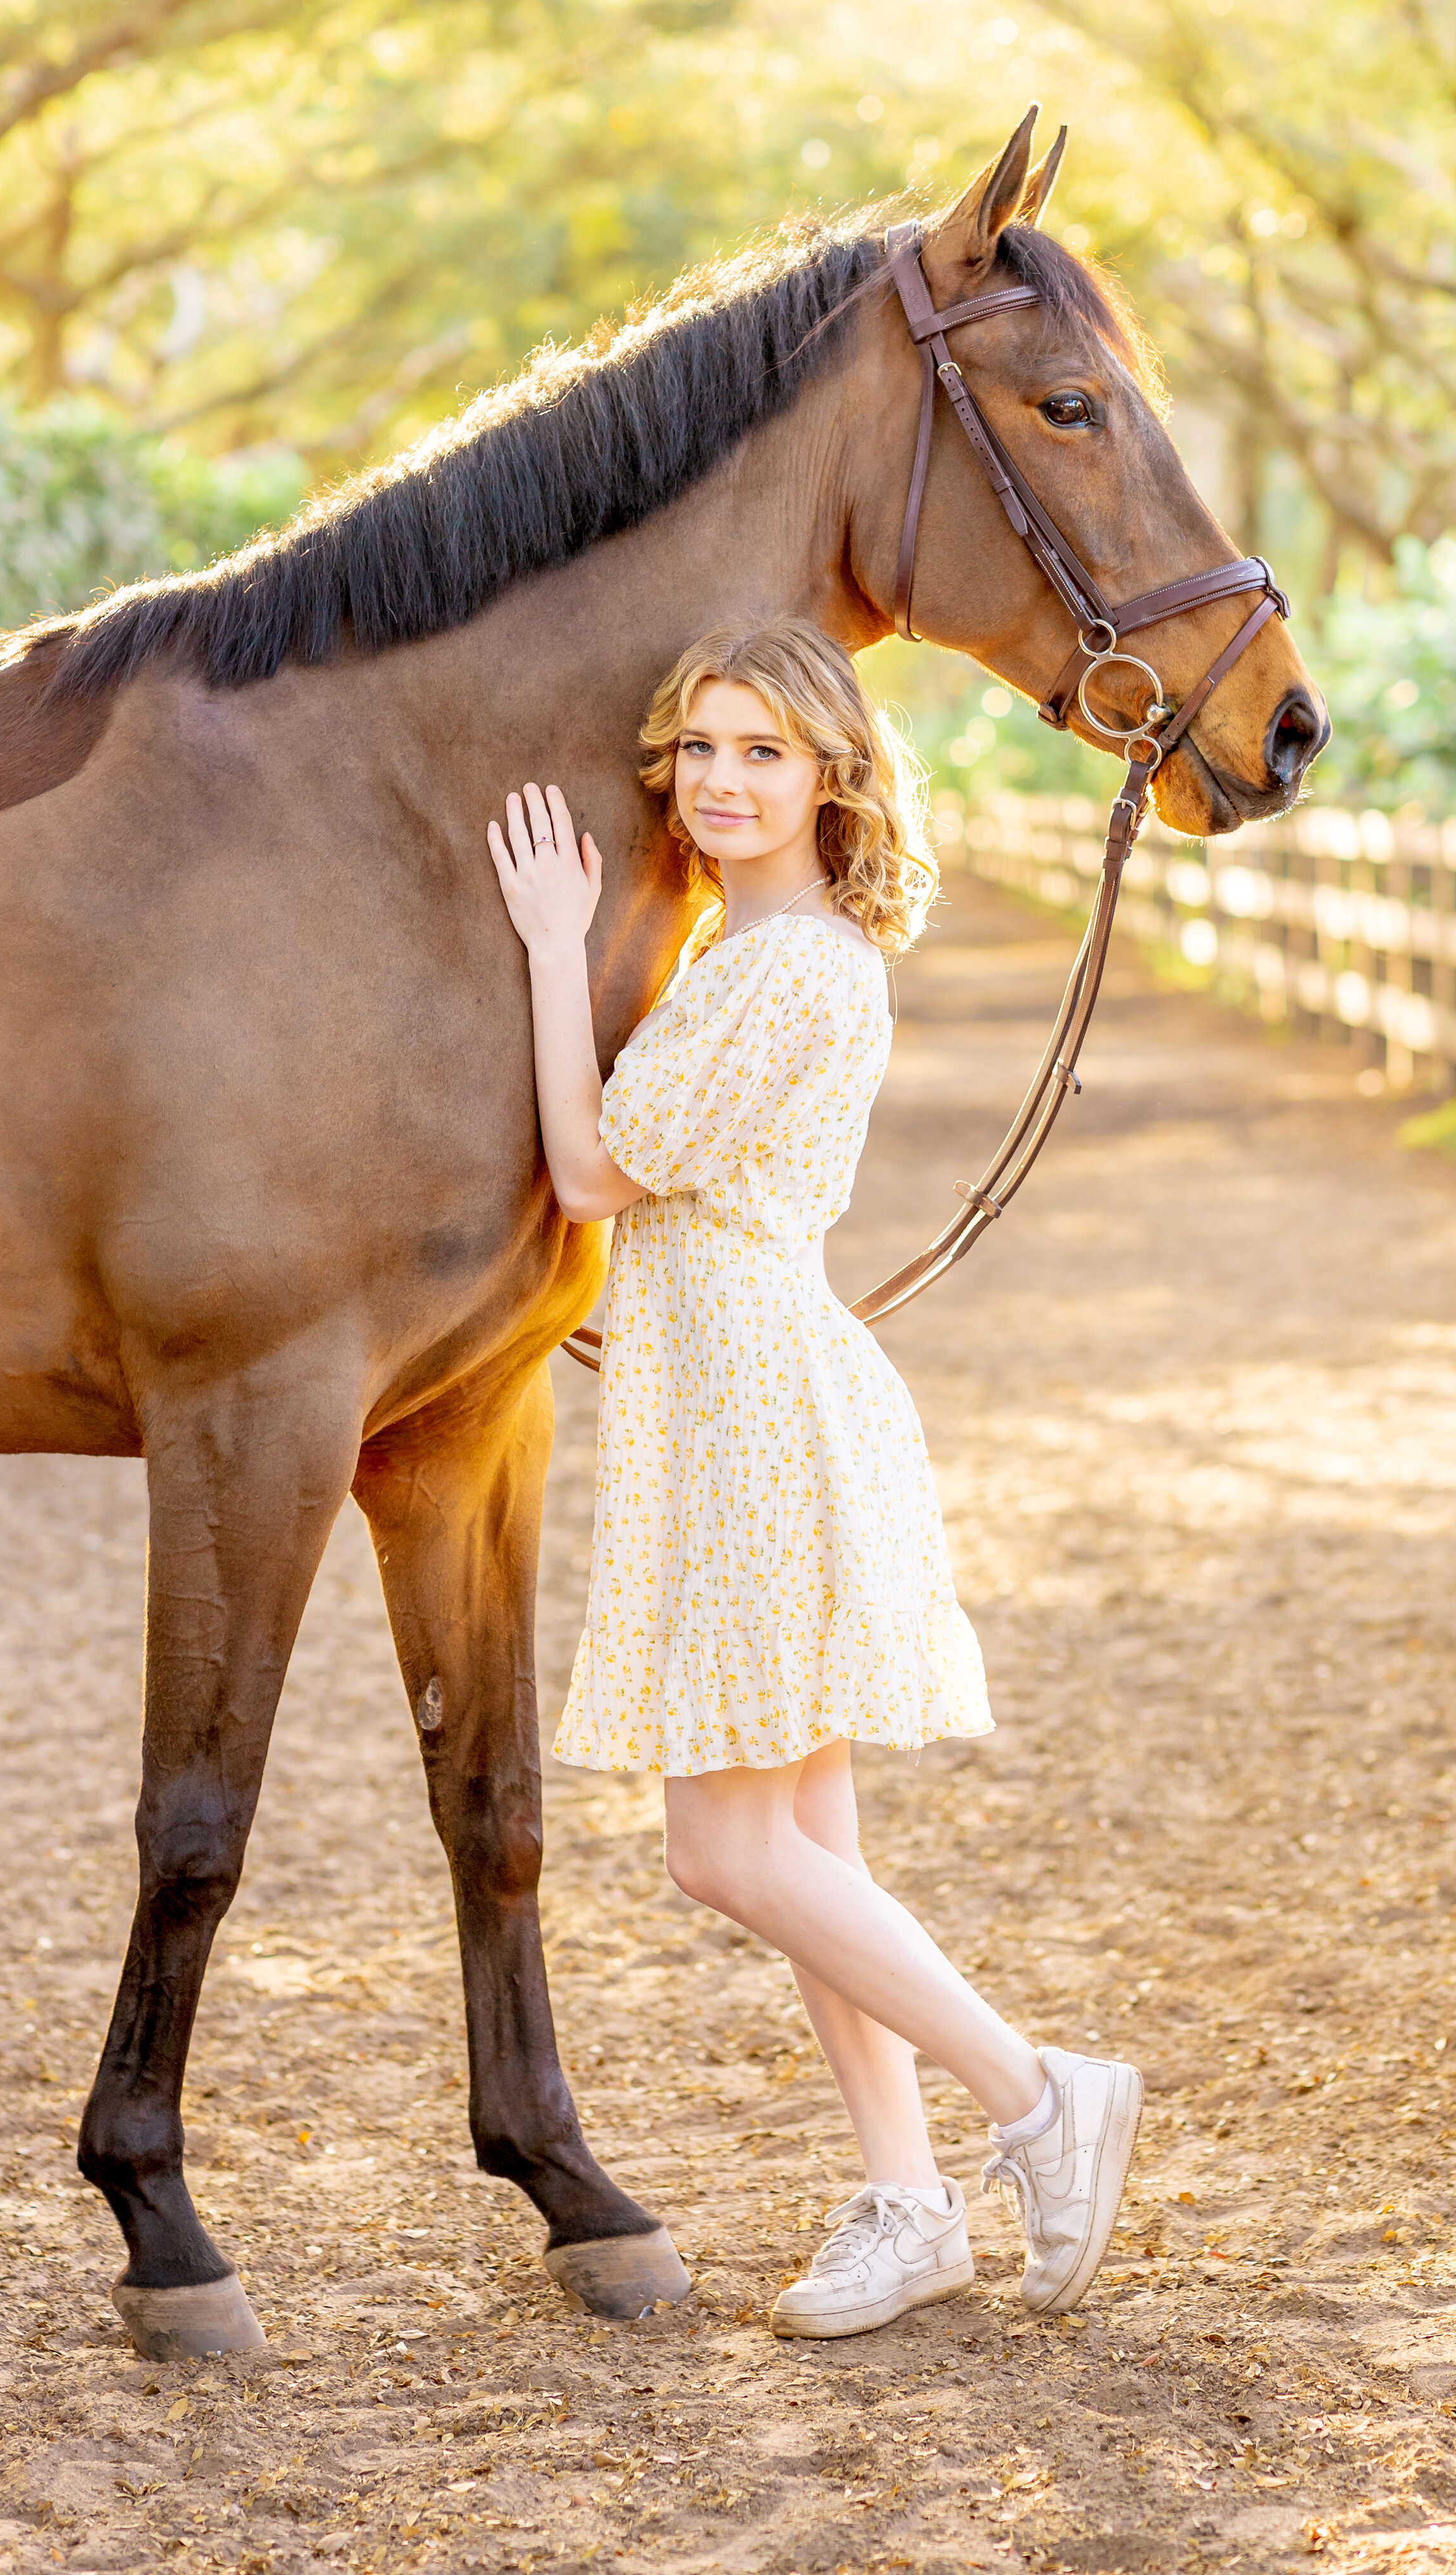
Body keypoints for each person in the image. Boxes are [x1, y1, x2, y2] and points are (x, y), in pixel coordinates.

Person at [486, 617, 1141, 2341]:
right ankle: (908, 2205)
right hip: (736, 1396)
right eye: (697, 748)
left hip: (757, 1418)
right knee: (809, 1843)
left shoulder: (787, 969)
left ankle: (1033, 2094)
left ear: (833, 773)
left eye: (761, 751)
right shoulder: (755, 949)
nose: (718, 781)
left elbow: (585, 1171)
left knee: (725, 1853)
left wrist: (558, 949)